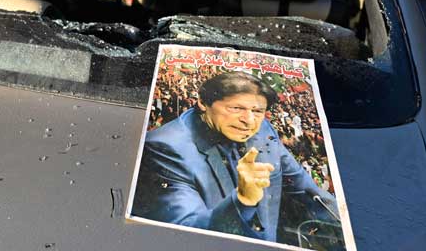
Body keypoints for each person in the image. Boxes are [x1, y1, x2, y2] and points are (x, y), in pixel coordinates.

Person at [132, 71, 338, 243]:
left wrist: (346, 222)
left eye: (258, 111)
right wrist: (243, 201)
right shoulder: (164, 147)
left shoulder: (263, 128)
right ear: (203, 103)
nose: (249, 121)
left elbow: (307, 189)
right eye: (236, 108)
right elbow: (186, 234)